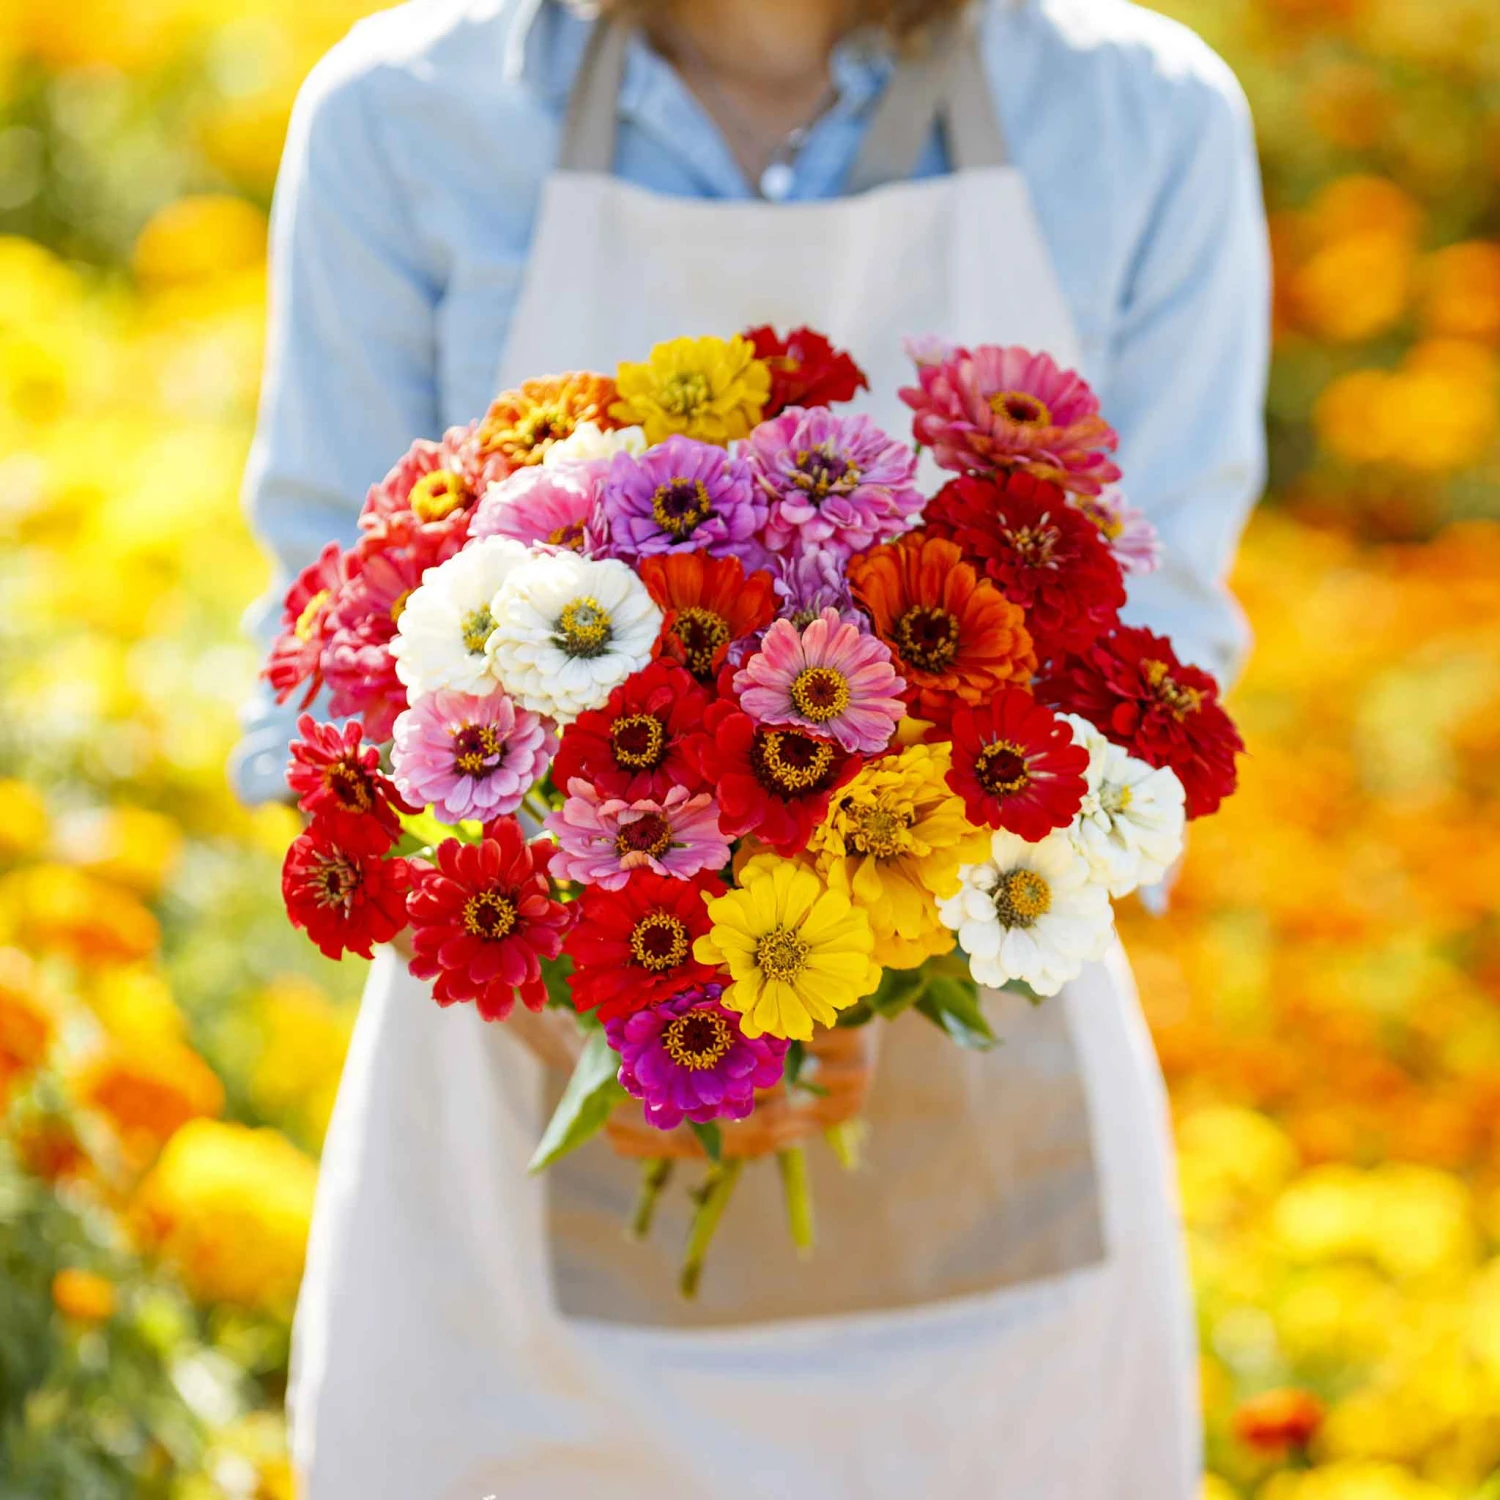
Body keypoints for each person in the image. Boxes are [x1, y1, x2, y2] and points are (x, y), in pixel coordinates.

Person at [233, 0, 1270, 1494]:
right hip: (514, 1103)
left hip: (982, 1146)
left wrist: (878, 954)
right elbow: (330, 658)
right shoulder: (405, 114)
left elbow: (1152, 659)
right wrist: (603, 1006)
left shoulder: (1141, 116)